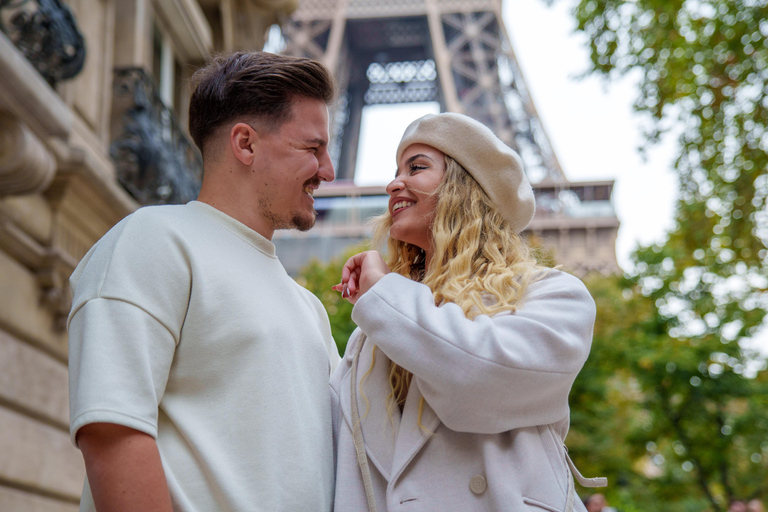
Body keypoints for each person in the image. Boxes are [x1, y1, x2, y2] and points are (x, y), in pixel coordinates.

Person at [67, 52, 340, 512]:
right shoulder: (151, 240)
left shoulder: (308, 306)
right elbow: (113, 432)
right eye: (313, 149)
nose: (329, 171)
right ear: (246, 144)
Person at [330, 112, 605, 511]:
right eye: (395, 170)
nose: (393, 183)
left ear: (466, 188)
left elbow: (480, 378)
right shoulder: (369, 339)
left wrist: (385, 294)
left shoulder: (554, 297)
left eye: (417, 167)